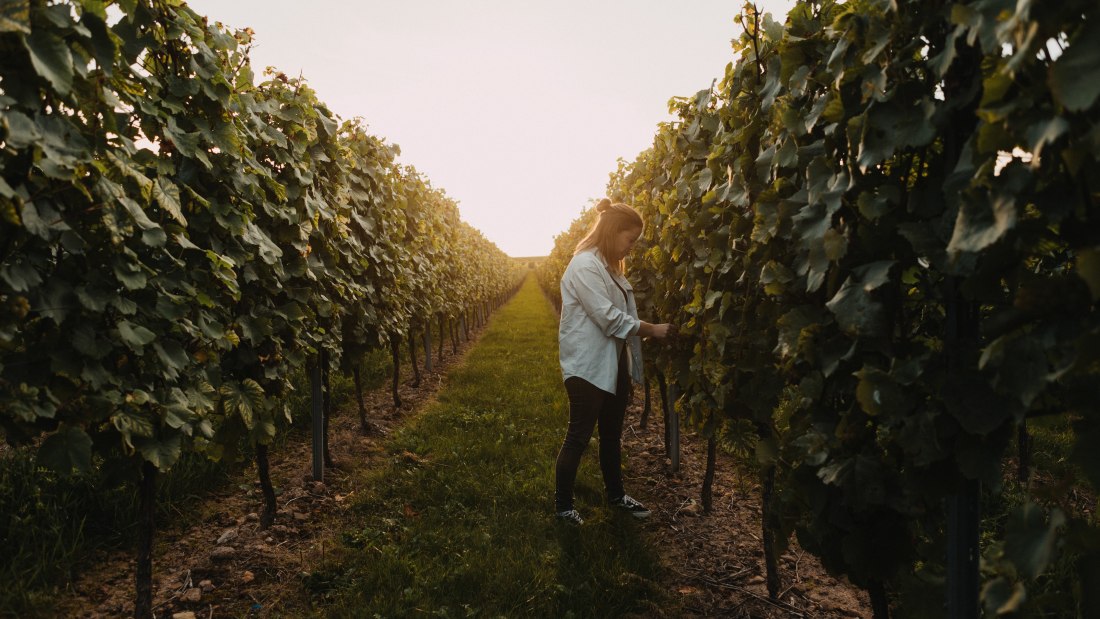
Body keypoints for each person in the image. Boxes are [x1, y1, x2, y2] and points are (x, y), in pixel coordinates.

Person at [554, 198, 675, 525]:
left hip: (611, 364)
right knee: (578, 436)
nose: (632, 248)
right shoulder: (584, 266)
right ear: (612, 232)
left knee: (610, 434)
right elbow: (609, 318)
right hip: (587, 366)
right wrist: (653, 330)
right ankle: (564, 508)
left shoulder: (608, 267)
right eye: (630, 239)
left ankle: (616, 495)